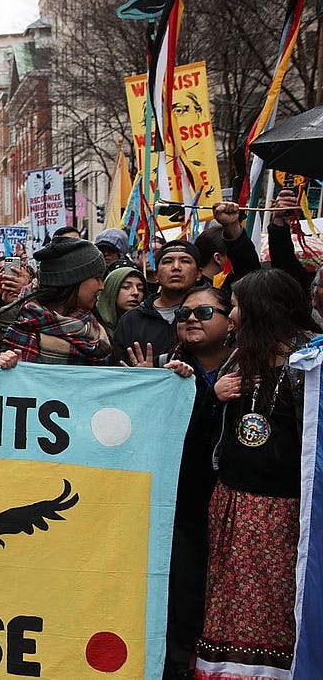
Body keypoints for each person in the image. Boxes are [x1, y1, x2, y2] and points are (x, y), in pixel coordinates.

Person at [195, 269, 315, 679]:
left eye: (236, 305)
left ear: (260, 311)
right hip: (233, 500)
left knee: (277, 601)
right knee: (228, 600)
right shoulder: (240, 356)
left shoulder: (309, 365)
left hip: (283, 510)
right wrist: (214, 398)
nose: (229, 314)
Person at [159, 285, 233, 678]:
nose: (190, 319)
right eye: (183, 313)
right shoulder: (163, 369)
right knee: (182, 601)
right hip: (180, 512)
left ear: (230, 319)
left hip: (238, 513)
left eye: (204, 313)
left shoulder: (251, 370)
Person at [0, 237, 112, 366]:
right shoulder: (18, 327)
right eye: (97, 278)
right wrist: (9, 366)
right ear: (71, 281)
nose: (101, 286)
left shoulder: (96, 326)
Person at [114, 240, 202, 363]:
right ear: (156, 274)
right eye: (167, 261)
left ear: (199, 273)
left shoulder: (207, 315)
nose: (176, 267)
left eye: (185, 261)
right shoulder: (131, 320)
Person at [95, 265, 145, 343]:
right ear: (111, 289)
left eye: (140, 289)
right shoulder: (93, 327)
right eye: (126, 287)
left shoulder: (145, 327)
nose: (136, 292)